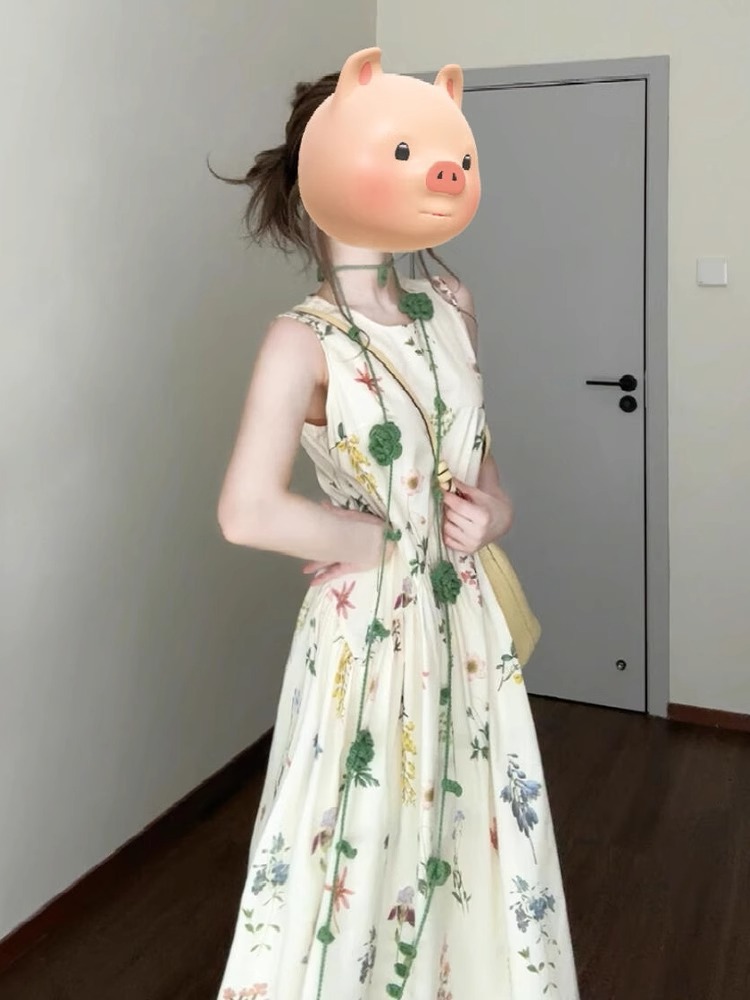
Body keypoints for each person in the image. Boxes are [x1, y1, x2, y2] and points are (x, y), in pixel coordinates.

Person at [213, 49, 579, 1000]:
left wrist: (495, 512)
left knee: (471, 840)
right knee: (358, 844)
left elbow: (482, 465)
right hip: (367, 639)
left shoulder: (451, 308)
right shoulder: (302, 338)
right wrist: (365, 540)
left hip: (467, 627)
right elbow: (247, 511)